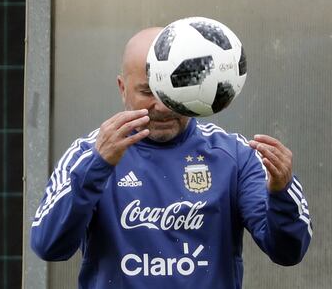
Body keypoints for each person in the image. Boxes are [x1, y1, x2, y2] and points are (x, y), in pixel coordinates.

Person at [31, 27, 312, 289]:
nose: (163, 106)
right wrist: (97, 166)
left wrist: (281, 193)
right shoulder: (88, 154)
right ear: (122, 88)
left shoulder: (234, 156)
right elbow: (49, 246)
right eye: (147, 91)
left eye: (174, 89)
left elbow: (287, 252)